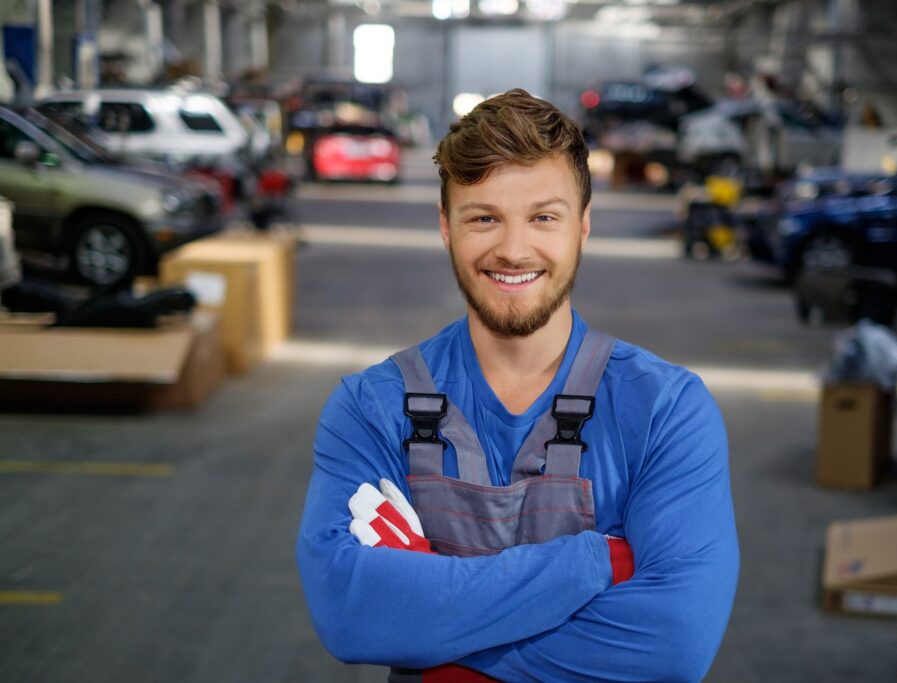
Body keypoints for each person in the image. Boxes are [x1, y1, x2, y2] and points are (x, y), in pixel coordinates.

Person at [296, 89, 739, 682]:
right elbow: (350, 614)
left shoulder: (666, 410)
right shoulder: (372, 408)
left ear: (582, 226)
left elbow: (674, 642)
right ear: (446, 228)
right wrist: (589, 564)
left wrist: (438, 644)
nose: (512, 249)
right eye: (483, 217)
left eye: (543, 217)